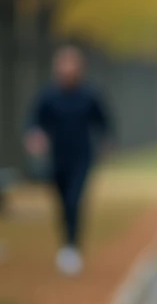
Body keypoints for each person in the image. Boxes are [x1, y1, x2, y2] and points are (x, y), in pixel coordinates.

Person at [25, 45, 111, 276]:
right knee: (62, 203)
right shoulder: (49, 95)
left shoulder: (89, 94)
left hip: (82, 157)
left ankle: (73, 247)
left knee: (75, 200)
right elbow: (35, 120)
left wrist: (105, 142)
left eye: (71, 63)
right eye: (63, 63)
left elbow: (103, 121)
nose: (67, 68)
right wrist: (36, 136)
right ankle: (66, 244)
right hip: (58, 158)